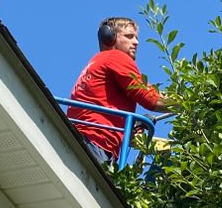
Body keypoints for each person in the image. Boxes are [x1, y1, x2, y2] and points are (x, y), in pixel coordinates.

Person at [68, 17, 171, 166]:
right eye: (129, 37)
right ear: (109, 38)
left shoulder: (97, 61)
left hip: (86, 139)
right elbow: (151, 98)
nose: (136, 42)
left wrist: (129, 129)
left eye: (136, 37)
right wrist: (189, 103)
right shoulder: (115, 57)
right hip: (97, 142)